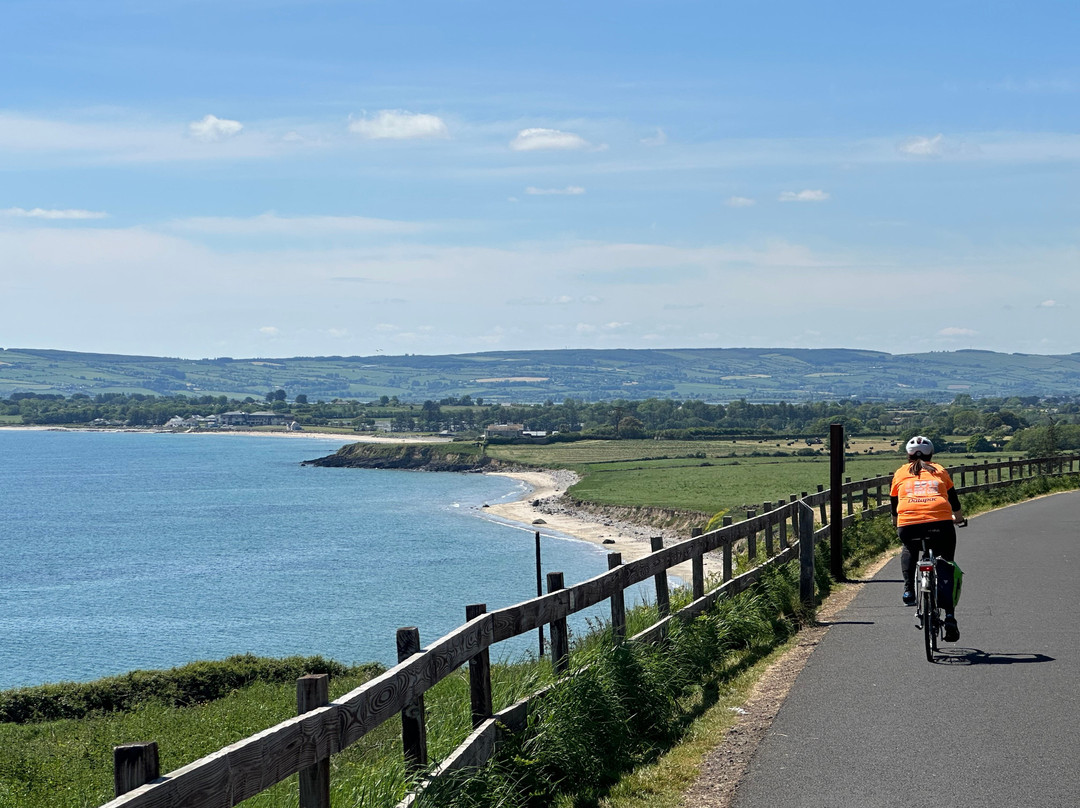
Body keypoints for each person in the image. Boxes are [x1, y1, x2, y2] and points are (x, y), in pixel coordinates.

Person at [890, 435, 966, 642]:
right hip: (940, 523)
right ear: (931, 453)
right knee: (946, 564)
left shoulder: (900, 473)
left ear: (908, 455)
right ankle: (949, 616)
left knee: (909, 548)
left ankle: (908, 591)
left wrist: (898, 523)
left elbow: (894, 504)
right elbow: (954, 500)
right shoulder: (940, 470)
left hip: (908, 524)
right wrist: (958, 519)